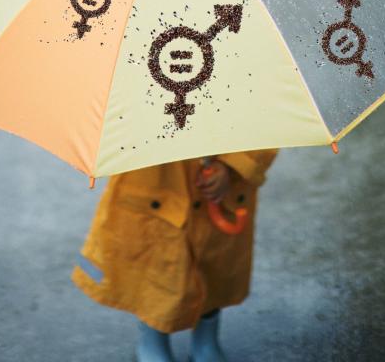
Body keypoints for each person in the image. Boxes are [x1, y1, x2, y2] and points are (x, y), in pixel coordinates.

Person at [72, 150, 278, 362]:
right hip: (154, 187)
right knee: (155, 271)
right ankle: (153, 341)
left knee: (215, 265)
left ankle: (206, 341)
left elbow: (267, 122)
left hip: (221, 190)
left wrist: (234, 165)